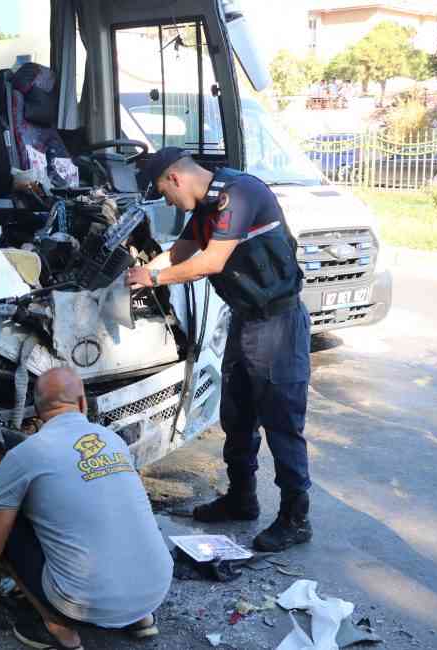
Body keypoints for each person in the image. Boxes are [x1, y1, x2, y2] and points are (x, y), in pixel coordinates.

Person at [127, 147, 312, 553]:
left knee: (281, 422)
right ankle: (242, 499)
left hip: (277, 324)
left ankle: (295, 518)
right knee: (238, 417)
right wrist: (135, 278)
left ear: (175, 178)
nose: (169, 203)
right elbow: (179, 253)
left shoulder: (239, 194)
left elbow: (210, 261)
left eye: (164, 193)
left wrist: (155, 277)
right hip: (246, 320)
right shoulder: (207, 208)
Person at [0, 367, 171, 650]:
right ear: (82, 403)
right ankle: (140, 619)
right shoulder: (114, 441)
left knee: (5, 526)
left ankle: (58, 627)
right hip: (156, 588)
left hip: (79, 606)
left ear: (38, 411)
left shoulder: (25, 455)